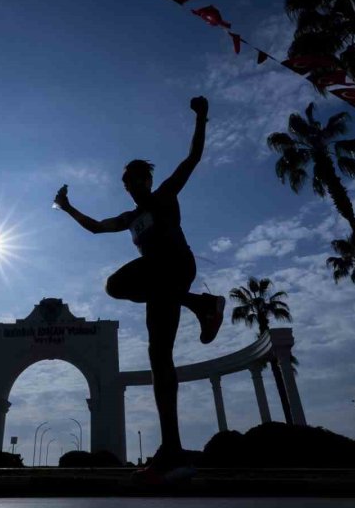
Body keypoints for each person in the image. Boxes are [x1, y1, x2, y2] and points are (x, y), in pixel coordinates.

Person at [53, 95, 225, 482]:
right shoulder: (131, 217)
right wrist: (67, 208)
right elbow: (98, 227)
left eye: (137, 180)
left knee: (115, 284)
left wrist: (201, 117)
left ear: (147, 179)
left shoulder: (164, 195)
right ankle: (172, 451)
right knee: (159, 359)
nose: (132, 187)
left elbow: (193, 158)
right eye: (127, 183)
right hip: (160, 285)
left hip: (177, 265)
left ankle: (201, 302)